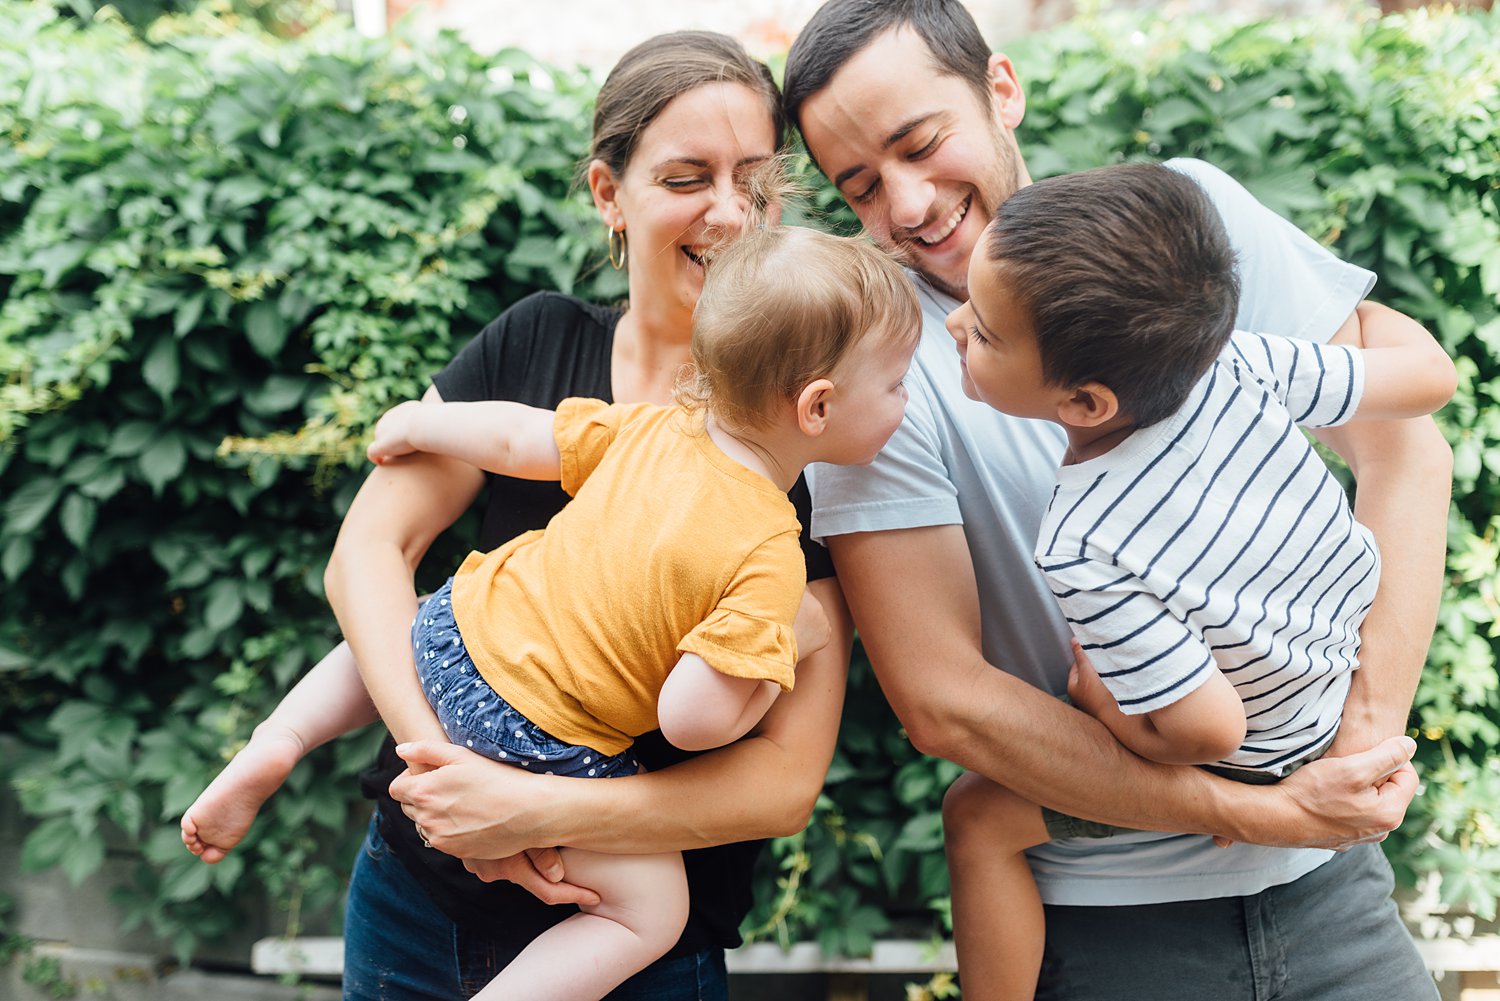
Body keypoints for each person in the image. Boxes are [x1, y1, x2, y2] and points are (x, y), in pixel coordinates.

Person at [774, 1, 1451, 998]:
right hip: (1105, 927)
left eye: (921, 144)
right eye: (862, 185)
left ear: (1002, 89)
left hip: (1335, 896)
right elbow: (944, 700)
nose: (909, 205)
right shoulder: (872, 369)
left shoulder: (1181, 228)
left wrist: (1356, 739)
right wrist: (1272, 802)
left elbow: (1405, 446)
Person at [181, 31, 863, 1001]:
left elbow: (784, 782)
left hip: (639, 963)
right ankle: (280, 742)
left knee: (450, 617)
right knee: (447, 611)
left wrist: (518, 806)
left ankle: (281, 740)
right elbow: (369, 552)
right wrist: (450, 780)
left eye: (755, 180)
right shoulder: (539, 340)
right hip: (415, 894)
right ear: (608, 192)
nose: (729, 211)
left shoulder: (813, 432)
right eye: (687, 176)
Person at [262, 226, 918, 1001]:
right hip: (531, 743)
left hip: (455, 645)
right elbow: (689, 719)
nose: (907, 401)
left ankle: (278, 737)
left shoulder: (650, 426)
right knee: (652, 912)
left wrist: (418, 421)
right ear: (817, 406)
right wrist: (778, 658)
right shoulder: (771, 551)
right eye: (898, 384)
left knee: (416, 625)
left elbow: (515, 434)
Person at [935, 163, 1455, 1001]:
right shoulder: (1235, 362)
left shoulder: (1082, 538)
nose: (956, 323)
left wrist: (1114, 712)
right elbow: (1427, 380)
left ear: (1086, 402)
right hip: (1333, 681)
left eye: (987, 332)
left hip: (1263, 762)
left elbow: (1209, 733)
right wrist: (1356, 315)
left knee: (979, 816)